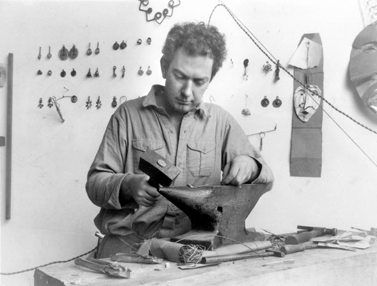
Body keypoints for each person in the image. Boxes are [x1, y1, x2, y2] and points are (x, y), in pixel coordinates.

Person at [86, 22, 274, 258]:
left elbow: (267, 176)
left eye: (199, 82)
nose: (187, 91)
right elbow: (94, 184)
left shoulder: (221, 122)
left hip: (193, 254)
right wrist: (128, 186)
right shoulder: (127, 115)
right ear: (164, 67)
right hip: (129, 252)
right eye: (180, 76)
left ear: (211, 78)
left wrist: (249, 165)